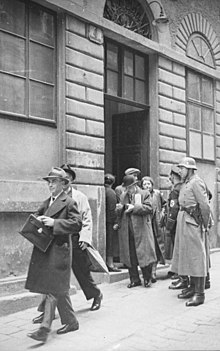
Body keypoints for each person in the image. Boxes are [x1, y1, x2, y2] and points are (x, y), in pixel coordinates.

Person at [32, 164, 103, 328]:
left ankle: (95, 294)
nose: (66, 181)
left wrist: (85, 239)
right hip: (57, 241)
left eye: (68, 178)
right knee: (54, 278)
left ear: (68, 181)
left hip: (76, 241)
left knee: (81, 272)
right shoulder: (51, 198)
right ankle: (47, 313)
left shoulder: (78, 197)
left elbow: (85, 220)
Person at [26, 167, 82, 343]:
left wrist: (54, 222)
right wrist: (35, 220)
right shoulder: (47, 202)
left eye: (54, 181)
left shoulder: (69, 202)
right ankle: (71, 322)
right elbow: (36, 216)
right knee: (59, 288)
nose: (50, 184)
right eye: (48, 181)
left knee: (52, 289)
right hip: (47, 250)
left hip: (60, 250)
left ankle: (44, 329)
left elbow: (77, 224)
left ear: (63, 184)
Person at [171, 157, 211, 306]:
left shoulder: (196, 182)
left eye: (182, 168)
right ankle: (192, 287)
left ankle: (199, 294)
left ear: (189, 169)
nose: (180, 171)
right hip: (184, 220)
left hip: (193, 222)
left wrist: (205, 224)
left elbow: (205, 205)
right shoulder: (187, 183)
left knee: (196, 256)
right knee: (186, 255)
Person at [116, 175, 157, 288]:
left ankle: (147, 278)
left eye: (130, 187)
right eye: (126, 188)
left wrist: (134, 208)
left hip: (141, 229)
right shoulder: (123, 195)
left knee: (144, 255)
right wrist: (120, 209)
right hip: (127, 230)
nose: (128, 190)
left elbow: (149, 208)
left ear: (135, 185)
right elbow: (120, 211)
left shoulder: (144, 193)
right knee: (130, 256)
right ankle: (134, 279)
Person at [141, 176, 166, 283]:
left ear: (152, 185)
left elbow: (164, 204)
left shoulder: (157, 194)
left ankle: (153, 272)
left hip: (156, 224)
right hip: (146, 225)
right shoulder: (140, 195)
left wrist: (163, 212)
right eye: (145, 184)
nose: (147, 186)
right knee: (148, 248)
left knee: (156, 247)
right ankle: (148, 272)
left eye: (149, 184)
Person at [104, 173, 121, 272]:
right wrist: (116, 221)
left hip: (106, 220)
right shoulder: (111, 192)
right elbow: (113, 209)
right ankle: (110, 263)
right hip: (110, 222)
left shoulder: (104, 190)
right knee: (110, 242)